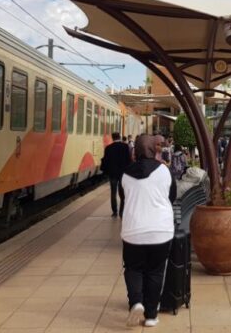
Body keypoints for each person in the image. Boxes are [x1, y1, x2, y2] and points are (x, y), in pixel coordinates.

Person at [120, 135, 177, 327]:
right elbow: (172, 195)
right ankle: (151, 315)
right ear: (155, 150)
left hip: (133, 230)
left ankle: (136, 302)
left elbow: (124, 197)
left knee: (133, 269)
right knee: (155, 272)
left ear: (135, 151)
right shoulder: (164, 170)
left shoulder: (125, 173)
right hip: (161, 230)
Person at [100, 132, 131, 217]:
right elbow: (128, 160)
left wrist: (106, 171)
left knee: (113, 193)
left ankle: (114, 212)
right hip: (122, 174)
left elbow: (105, 161)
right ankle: (122, 211)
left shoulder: (108, 148)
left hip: (112, 174)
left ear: (112, 138)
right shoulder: (125, 147)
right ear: (120, 137)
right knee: (122, 193)